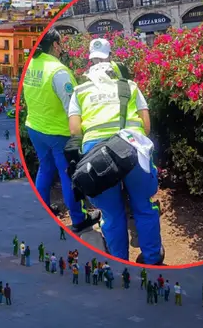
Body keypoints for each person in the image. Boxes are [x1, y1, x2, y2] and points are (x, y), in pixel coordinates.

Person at [66, 61, 164, 265]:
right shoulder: (130, 86)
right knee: (144, 207)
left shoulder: (80, 91)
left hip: (97, 157)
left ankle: (120, 261)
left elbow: (75, 130)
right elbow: (146, 126)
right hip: (133, 147)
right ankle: (152, 258)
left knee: (111, 214)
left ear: (89, 75)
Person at [22, 30, 100, 232]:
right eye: (61, 43)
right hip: (58, 133)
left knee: (45, 169)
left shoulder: (31, 64)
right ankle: (79, 219)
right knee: (69, 175)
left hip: (35, 128)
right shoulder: (59, 71)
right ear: (55, 45)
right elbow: (72, 106)